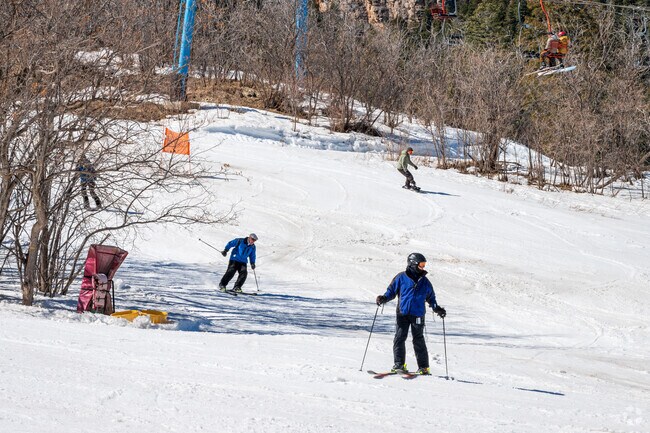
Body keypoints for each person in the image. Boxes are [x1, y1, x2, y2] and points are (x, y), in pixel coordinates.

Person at [376, 253, 446, 375]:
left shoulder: (425, 282)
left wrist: (437, 309)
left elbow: (431, 298)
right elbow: (391, 291)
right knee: (399, 338)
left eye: (424, 265)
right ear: (413, 263)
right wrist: (383, 298)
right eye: (421, 264)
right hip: (402, 313)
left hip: (418, 314)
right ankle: (399, 365)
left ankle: (424, 368)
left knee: (418, 340)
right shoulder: (401, 278)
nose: (423, 267)